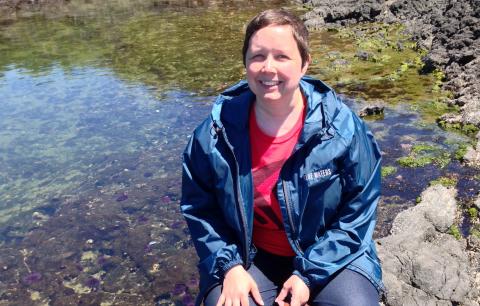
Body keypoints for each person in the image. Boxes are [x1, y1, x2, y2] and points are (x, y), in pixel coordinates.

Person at [180, 8, 384, 306]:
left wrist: (307, 275)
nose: (268, 68)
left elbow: (359, 209)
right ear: (246, 63)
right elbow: (200, 209)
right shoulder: (213, 135)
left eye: (282, 57)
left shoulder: (342, 128)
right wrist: (230, 266)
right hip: (250, 256)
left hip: (330, 253)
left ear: (305, 64)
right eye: (258, 56)